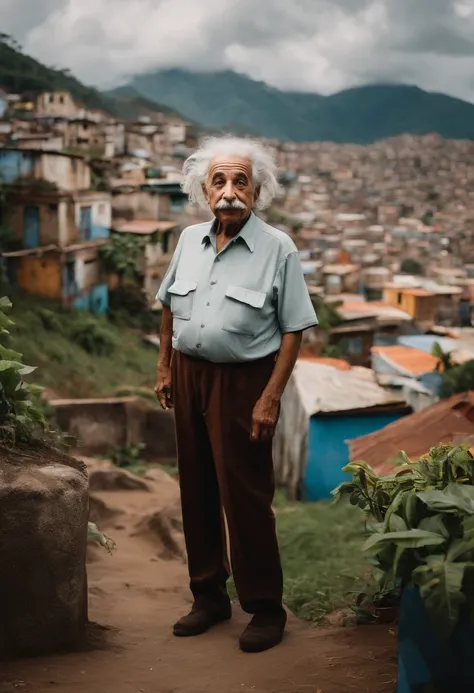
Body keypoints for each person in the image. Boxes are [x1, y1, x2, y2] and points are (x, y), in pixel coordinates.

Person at [154, 136, 318, 653]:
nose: (228, 191)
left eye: (239, 180)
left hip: (243, 381)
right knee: (196, 488)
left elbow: (293, 329)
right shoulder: (188, 240)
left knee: (245, 495)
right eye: (218, 181)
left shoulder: (278, 248)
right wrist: (163, 365)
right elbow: (166, 304)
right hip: (188, 374)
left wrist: (270, 397)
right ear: (203, 189)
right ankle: (208, 597)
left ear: (257, 189)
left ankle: (265, 607)